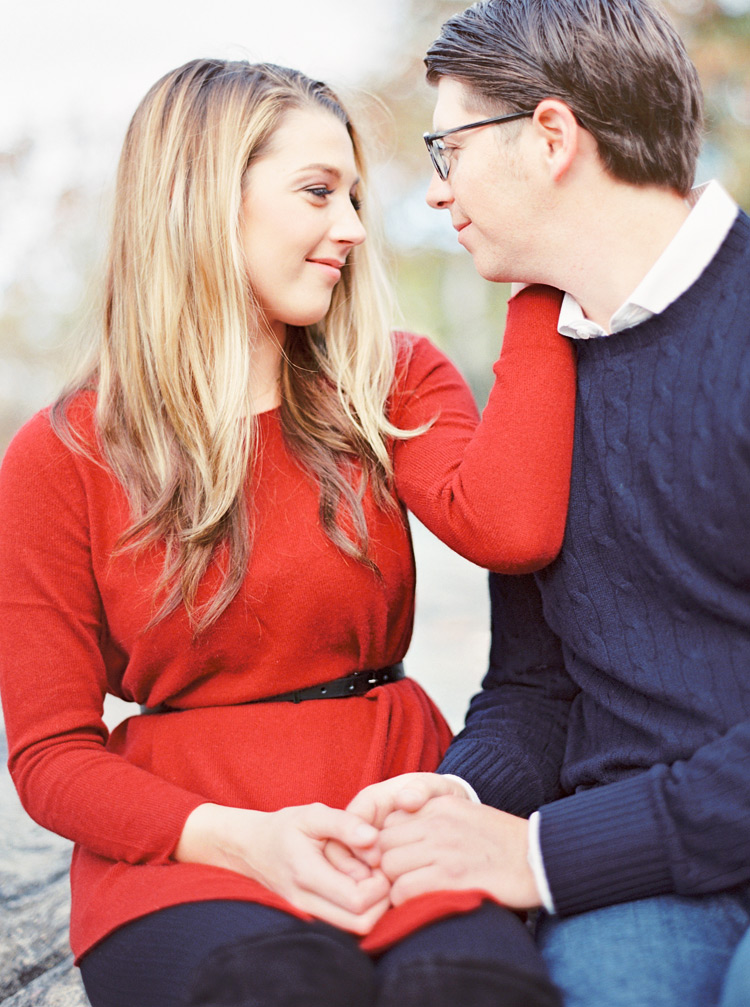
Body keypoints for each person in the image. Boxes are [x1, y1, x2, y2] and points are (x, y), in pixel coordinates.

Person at [0, 59, 575, 1007]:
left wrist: (538, 273)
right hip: (187, 848)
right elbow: (50, 756)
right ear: (199, 202)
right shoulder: (62, 454)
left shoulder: (388, 381)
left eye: (353, 193)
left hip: (391, 812)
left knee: (469, 989)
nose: (352, 226)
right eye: (317, 192)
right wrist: (241, 838)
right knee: (280, 989)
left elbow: (510, 526)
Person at [338, 2, 750, 1005]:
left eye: (450, 149)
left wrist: (545, 854)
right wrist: (461, 792)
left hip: (611, 840)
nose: (435, 195)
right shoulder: (543, 374)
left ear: (553, 137)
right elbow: (538, 684)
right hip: (635, 863)